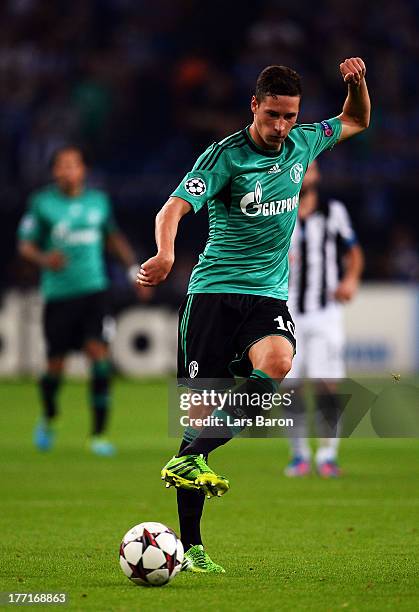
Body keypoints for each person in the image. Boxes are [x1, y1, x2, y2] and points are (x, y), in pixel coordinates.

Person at [138, 58, 370, 572]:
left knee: (279, 363)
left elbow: (355, 121)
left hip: (266, 297)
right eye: (272, 115)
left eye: (289, 116)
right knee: (198, 421)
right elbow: (171, 209)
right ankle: (193, 546)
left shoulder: (304, 143)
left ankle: (190, 457)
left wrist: (357, 85)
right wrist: (167, 252)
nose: (281, 126)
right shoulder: (224, 156)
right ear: (254, 106)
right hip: (213, 298)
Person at [18, 146, 143, 456]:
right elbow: (25, 246)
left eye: (73, 165)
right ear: (54, 172)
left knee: (98, 356)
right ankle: (49, 417)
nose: (67, 171)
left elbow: (112, 237)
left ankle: (98, 435)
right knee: (55, 366)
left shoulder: (97, 202)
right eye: (61, 166)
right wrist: (45, 258)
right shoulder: (42, 203)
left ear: (82, 169)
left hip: (95, 290)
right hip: (59, 294)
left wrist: (132, 269)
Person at [283, 160, 364, 478]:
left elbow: (354, 252)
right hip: (287, 309)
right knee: (291, 387)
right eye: (300, 169)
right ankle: (299, 454)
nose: (305, 175)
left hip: (325, 311)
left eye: (310, 169)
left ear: (317, 175)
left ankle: (328, 455)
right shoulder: (279, 211)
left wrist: (351, 280)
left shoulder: (333, 211)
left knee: (327, 384)